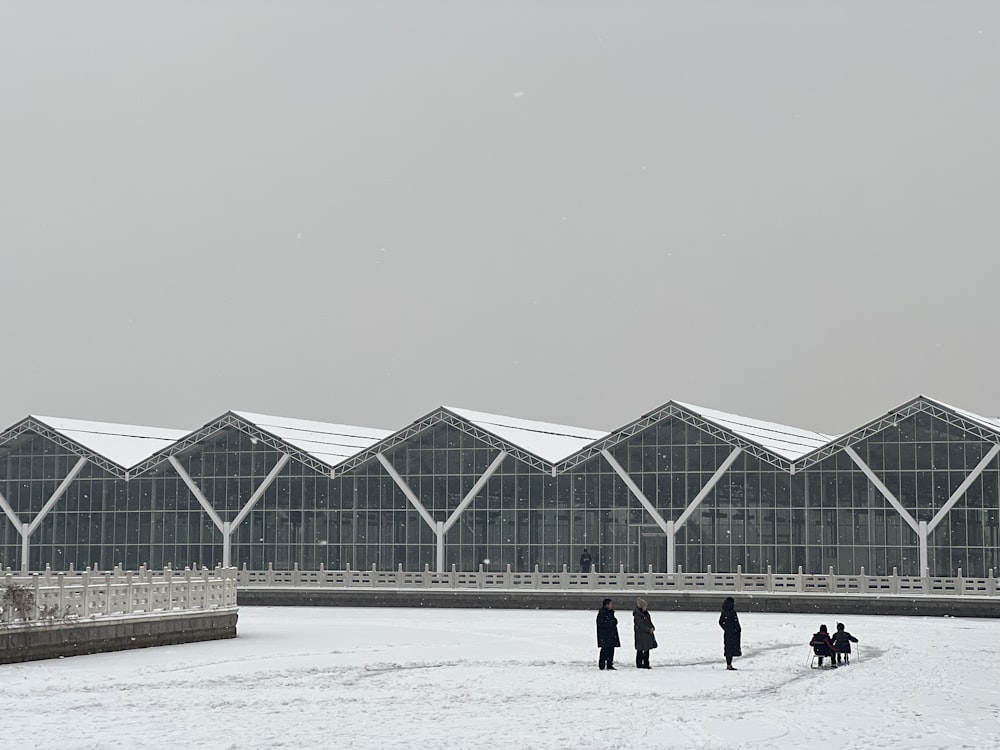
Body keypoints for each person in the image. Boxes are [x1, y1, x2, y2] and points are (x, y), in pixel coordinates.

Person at [596, 598, 620, 670]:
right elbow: (602, 624)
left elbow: (614, 621)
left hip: (611, 634)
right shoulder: (602, 613)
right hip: (605, 635)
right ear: (606, 605)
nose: (612, 605)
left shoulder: (610, 612)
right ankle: (602, 664)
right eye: (610, 604)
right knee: (605, 650)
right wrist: (611, 623)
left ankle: (609, 664)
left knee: (611, 649)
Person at [633, 597, 656, 669]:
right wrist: (648, 629)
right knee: (641, 649)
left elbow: (649, 622)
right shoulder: (638, 615)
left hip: (646, 634)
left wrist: (652, 627)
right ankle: (640, 663)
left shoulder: (646, 614)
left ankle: (645, 663)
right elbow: (640, 625)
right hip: (641, 634)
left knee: (646, 649)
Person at [719, 596, 742, 670]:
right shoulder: (732, 612)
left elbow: (720, 622)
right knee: (732, 648)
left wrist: (726, 628)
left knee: (728, 647)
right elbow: (735, 622)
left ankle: (728, 663)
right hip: (733, 633)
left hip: (728, 633)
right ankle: (729, 664)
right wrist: (737, 629)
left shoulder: (724, 611)